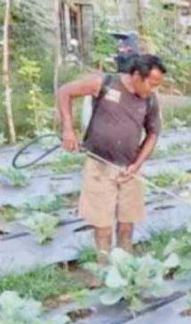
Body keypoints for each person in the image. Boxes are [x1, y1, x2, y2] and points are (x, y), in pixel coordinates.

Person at [56, 54, 166, 263]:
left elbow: (153, 133)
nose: (154, 89)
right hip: (99, 166)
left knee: (127, 224)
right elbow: (65, 92)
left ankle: (125, 267)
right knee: (103, 225)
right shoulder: (104, 84)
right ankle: (104, 268)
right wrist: (68, 129)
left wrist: (136, 165)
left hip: (129, 171)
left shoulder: (150, 99)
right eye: (152, 83)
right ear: (136, 75)